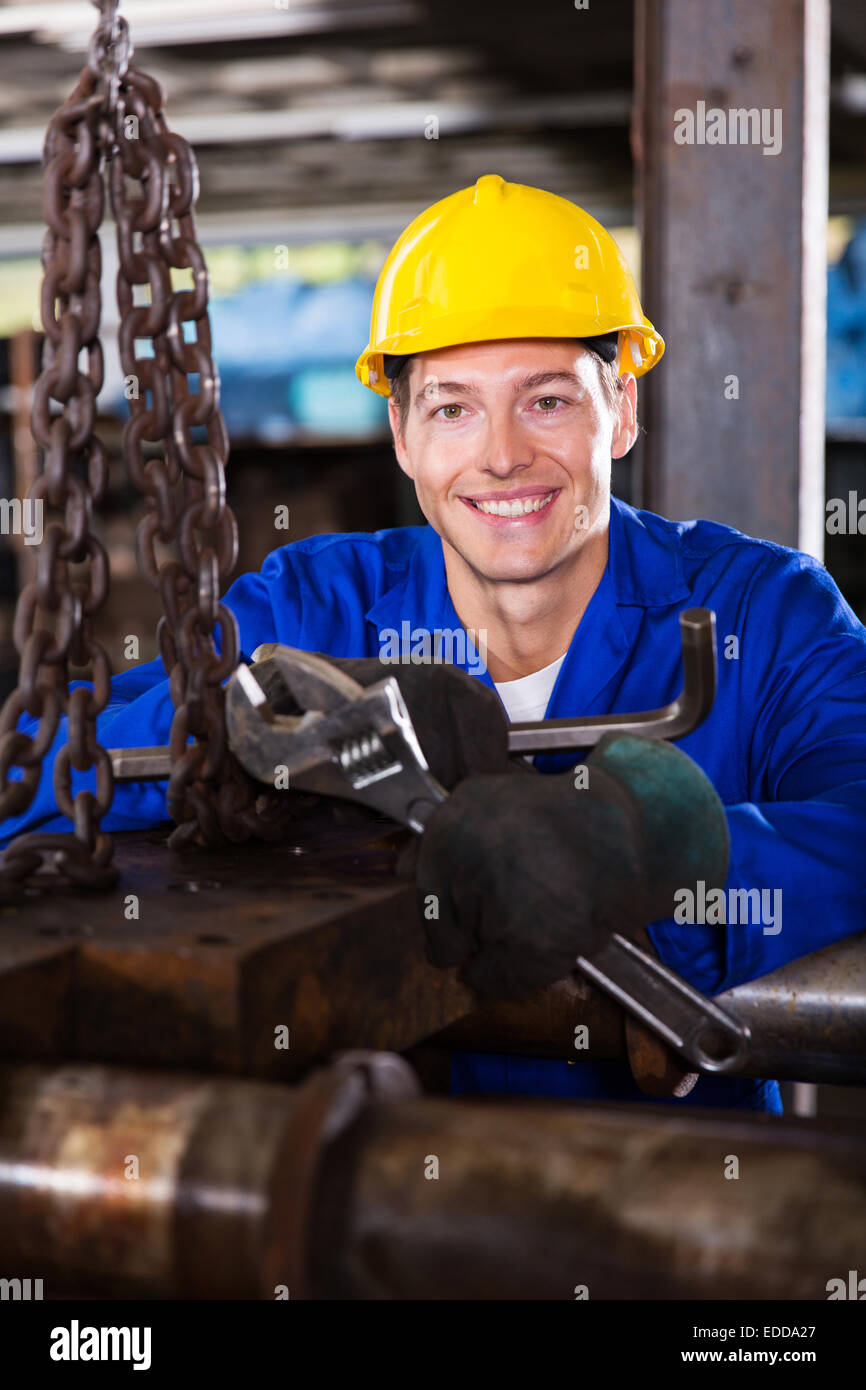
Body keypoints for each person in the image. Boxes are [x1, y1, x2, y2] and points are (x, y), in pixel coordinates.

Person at [4, 175, 866, 1114]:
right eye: (453, 407)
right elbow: (37, 787)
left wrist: (660, 854)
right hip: (366, 1204)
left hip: (677, 1210)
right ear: (404, 436)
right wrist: (233, 742)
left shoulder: (762, 617)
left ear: (620, 408)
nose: (500, 456)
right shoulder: (313, 614)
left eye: (546, 401)